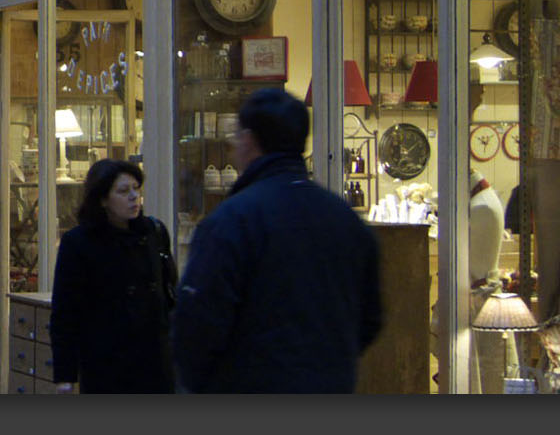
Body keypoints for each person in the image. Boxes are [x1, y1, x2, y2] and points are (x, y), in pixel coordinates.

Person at [172, 88, 383, 393]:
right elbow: (370, 319)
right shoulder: (346, 221)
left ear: (250, 140)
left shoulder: (231, 221)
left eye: (237, 137)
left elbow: (197, 326)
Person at [49, 159, 176, 394]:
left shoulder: (154, 232)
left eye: (136, 188)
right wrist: (65, 375)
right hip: (107, 364)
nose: (133, 196)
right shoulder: (79, 243)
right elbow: (65, 312)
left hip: (156, 361)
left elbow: (169, 292)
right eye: (123, 191)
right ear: (103, 199)